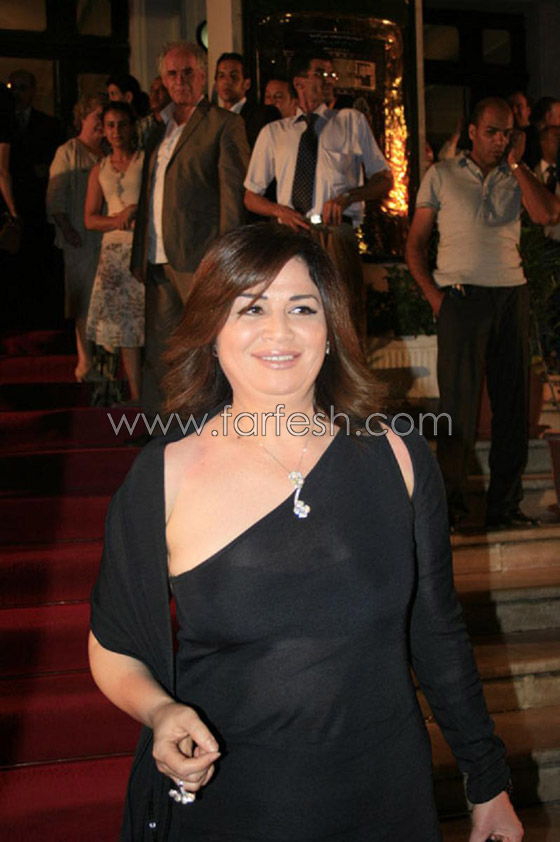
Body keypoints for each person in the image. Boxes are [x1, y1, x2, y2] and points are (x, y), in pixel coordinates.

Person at [90, 223, 523, 842]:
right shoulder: (165, 475)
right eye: (251, 308)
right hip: (237, 802)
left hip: (387, 795)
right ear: (212, 329)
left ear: (330, 329)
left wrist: (487, 781)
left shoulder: (397, 455)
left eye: (301, 308)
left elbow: (437, 631)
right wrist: (160, 711)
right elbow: (113, 645)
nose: (280, 331)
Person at [405, 97, 560, 531]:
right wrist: (435, 298)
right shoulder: (441, 175)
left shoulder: (517, 176)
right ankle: (451, 509)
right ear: (472, 131)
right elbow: (415, 243)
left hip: (511, 296)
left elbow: (548, 213)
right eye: (491, 132)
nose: (499, 140)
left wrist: (516, 165)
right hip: (460, 298)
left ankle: (504, 507)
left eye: (507, 133)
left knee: (512, 407)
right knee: (458, 408)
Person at [130, 40, 249, 419]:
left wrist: (225, 261)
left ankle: (216, 427)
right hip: (155, 256)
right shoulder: (156, 128)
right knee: (161, 351)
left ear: (202, 75)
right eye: (172, 74)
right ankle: (160, 430)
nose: (179, 81)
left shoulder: (224, 124)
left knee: (209, 351)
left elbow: (232, 201)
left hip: (200, 258)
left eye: (187, 73)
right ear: (163, 79)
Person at [244, 50, 393, 334]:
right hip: (291, 233)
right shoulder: (275, 133)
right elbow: (250, 196)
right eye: (320, 73)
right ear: (299, 82)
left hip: (335, 232)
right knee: (292, 313)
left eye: (331, 74)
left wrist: (349, 197)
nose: (329, 80)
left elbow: (385, 180)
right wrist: (279, 210)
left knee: (344, 318)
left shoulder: (350, 121)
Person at [84, 102, 144, 403]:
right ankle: (136, 396)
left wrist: (136, 211)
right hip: (112, 254)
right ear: (104, 130)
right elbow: (90, 218)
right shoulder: (100, 169)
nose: (116, 131)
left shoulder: (146, 161)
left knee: (145, 322)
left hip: (141, 249)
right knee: (122, 329)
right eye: (110, 125)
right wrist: (118, 219)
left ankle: (154, 396)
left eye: (122, 124)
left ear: (132, 127)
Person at [47, 95, 105, 381]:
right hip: (79, 239)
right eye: (97, 117)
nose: (101, 124)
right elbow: (55, 196)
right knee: (83, 300)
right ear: (83, 118)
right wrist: (66, 227)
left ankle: (104, 361)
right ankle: (85, 361)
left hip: (105, 239)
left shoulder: (108, 152)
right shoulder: (68, 151)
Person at [214, 52, 280, 148]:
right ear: (216, 85)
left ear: (246, 84)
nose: (226, 81)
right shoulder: (212, 121)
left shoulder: (262, 116)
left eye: (233, 76)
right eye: (221, 76)